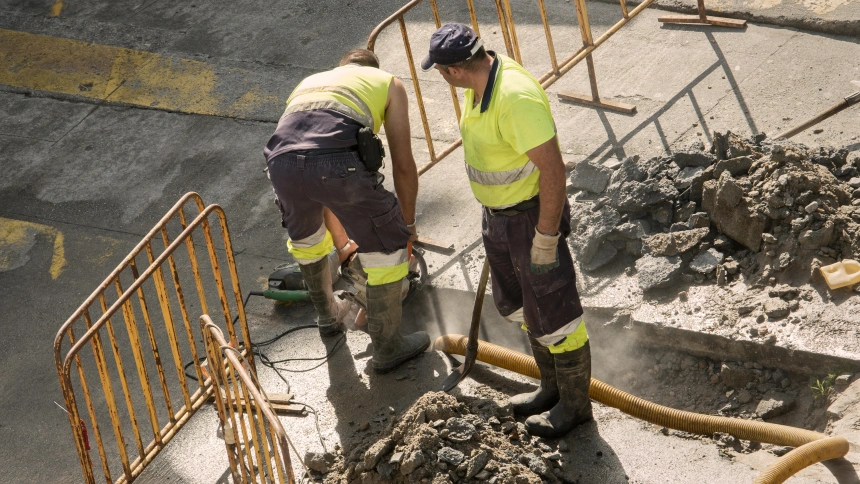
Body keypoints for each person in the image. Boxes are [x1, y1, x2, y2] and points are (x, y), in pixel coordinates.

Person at [423, 24, 591, 438]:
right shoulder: (476, 87)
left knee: (557, 316)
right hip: (499, 219)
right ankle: (550, 388)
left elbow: (554, 170)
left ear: (452, 71)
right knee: (522, 307)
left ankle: (575, 406)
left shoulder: (514, 98)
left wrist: (546, 238)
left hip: (529, 220)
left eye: (441, 72)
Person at [263, 49, 430, 373]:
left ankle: (328, 317)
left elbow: (314, 177)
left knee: (308, 242)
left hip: (280, 163)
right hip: (335, 163)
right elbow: (404, 166)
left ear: (342, 66)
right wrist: (406, 228)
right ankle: (387, 347)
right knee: (388, 247)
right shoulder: (388, 83)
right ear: (372, 68)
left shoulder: (311, 82)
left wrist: (343, 246)